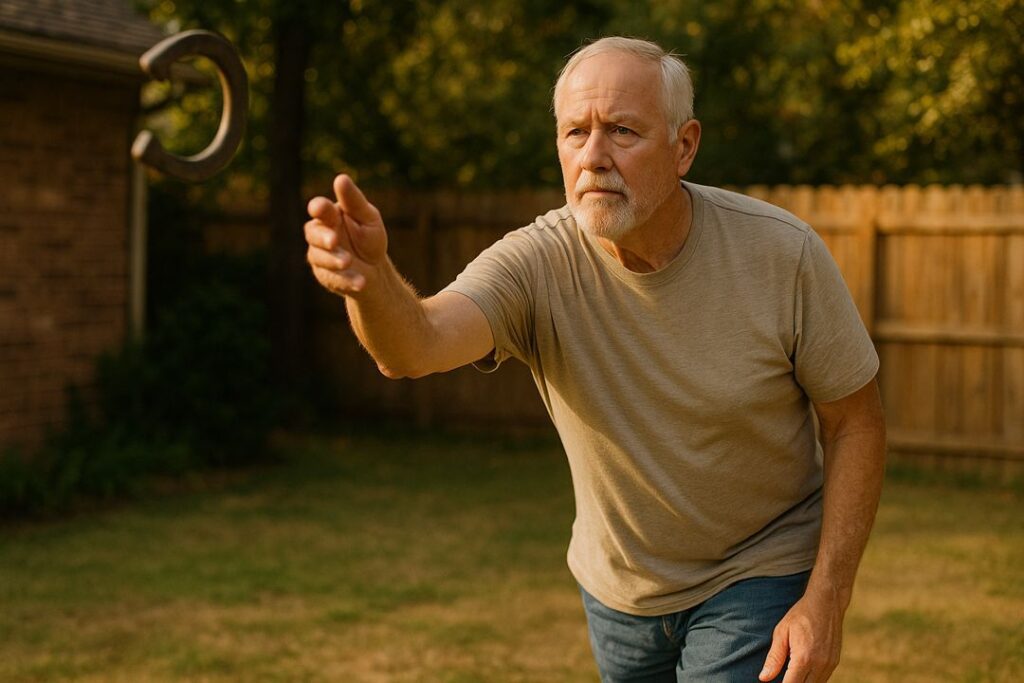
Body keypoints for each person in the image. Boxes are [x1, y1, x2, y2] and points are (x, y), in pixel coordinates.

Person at [303, 36, 886, 683]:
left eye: (622, 131)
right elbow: (418, 345)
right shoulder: (538, 261)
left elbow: (855, 423)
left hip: (759, 569)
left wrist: (827, 598)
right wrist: (370, 282)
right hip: (618, 592)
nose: (593, 157)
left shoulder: (782, 254)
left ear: (684, 146)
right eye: (575, 132)